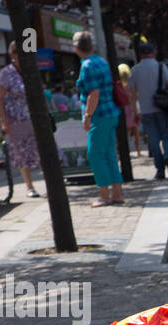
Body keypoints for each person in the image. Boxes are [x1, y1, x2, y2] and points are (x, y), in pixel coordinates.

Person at [73, 31, 124, 206]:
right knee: (109, 153)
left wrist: (87, 116)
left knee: (94, 154)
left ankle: (104, 194)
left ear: (76, 48)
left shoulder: (86, 66)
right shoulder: (102, 62)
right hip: (111, 113)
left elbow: (93, 93)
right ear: (91, 46)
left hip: (99, 115)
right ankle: (117, 192)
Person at [0, 43, 40, 197]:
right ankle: (29, 186)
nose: (17, 55)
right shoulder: (7, 73)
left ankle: (50, 181)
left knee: (40, 149)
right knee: (22, 153)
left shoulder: (31, 68)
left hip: (35, 117)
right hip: (16, 119)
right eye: (14, 52)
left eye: (20, 51)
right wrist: (4, 121)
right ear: (12, 54)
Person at [130, 41, 168, 179]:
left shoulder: (134, 70)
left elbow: (132, 94)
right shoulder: (160, 67)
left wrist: (135, 111)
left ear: (140, 55)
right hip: (162, 108)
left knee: (153, 140)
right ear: (153, 53)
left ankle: (160, 170)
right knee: (166, 136)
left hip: (146, 111)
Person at [117, 63, 141, 153]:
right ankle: (138, 151)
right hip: (132, 109)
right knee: (136, 132)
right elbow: (135, 97)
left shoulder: (119, 86)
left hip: (124, 110)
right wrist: (136, 111)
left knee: (125, 133)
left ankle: (125, 151)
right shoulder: (131, 86)